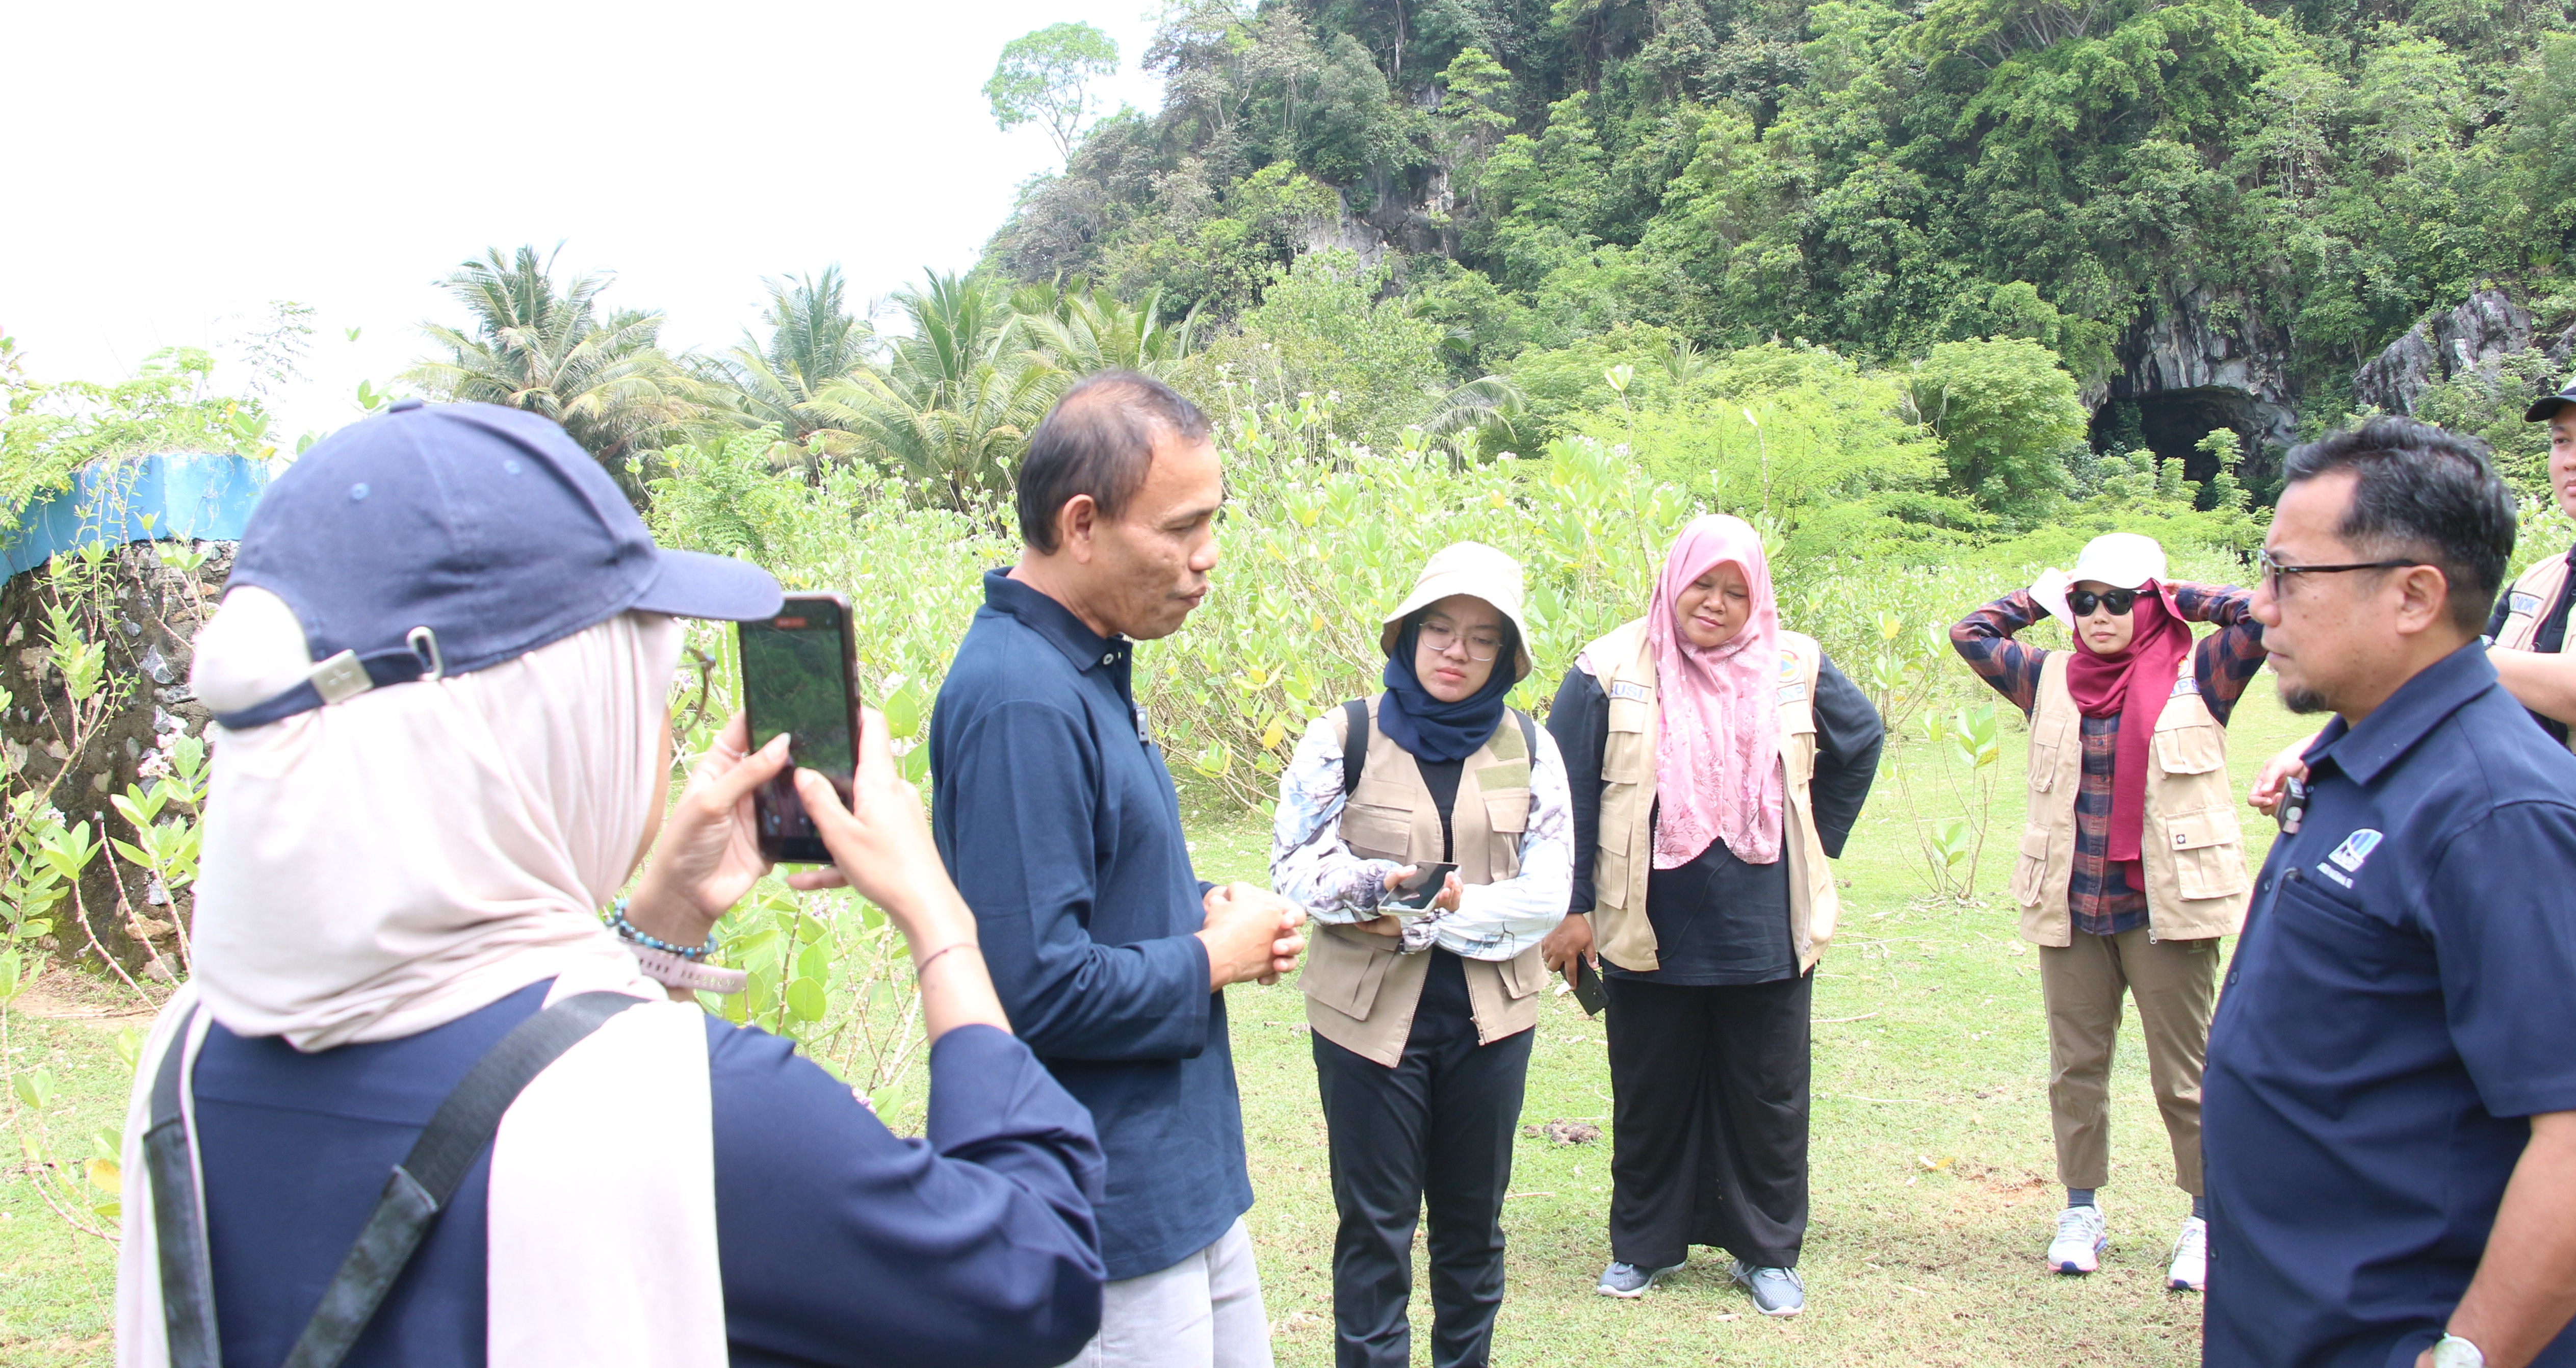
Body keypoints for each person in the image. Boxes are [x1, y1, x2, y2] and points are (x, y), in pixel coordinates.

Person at [116, 399, 1107, 1368]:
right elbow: (1034, 1276)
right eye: (645, 692)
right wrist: (939, 918)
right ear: (544, 731)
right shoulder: (715, 1116)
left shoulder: (188, 1059)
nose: (660, 733)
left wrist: (663, 922)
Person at [2204, 415, 2576, 1368]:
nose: (2259, 608)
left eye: (2289, 575)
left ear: (2414, 596)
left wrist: (2467, 1357)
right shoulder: (2363, 756)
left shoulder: (2503, 810)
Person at [930, 372, 1307, 1368]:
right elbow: (1033, 983)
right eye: (1182, 528)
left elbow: (1088, 902)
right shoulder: (1023, 700)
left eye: (1213, 522)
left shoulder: (1086, 665)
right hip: (1105, 1211)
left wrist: (1200, 913)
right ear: (1084, 523)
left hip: (1179, 1182)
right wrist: (1210, 958)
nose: (1206, 557)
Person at [1534, 514, 1882, 1319]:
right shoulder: (1607, 667)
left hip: (1766, 923)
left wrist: (1814, 843)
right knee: (1652, 1087)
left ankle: (1766, 1253)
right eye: (1703, 585)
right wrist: (1573, 908)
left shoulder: (1794, 662)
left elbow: (1859, 744)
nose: (1717, 604)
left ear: (1756, 596)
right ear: (1673, 582)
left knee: (1768, 1092)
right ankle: (1643, 1246)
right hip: (1644, 922)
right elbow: (1566, 794)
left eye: (1737, 591)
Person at [1269, 542, 1574, 1368]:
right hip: (1365, 1023)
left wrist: (1432, 913)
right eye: (1440, 628)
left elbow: (1548, 894)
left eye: (1483, 637)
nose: (1457, 650)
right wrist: (1380, 885)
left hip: (1491, 1023)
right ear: (1406, 635)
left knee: (1473, 1231)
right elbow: (1294, 868)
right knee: (1375, 1230)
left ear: (1507, 655)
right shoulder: (1345, 734)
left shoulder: (1531, 748)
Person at [1949, 531, 2265, 1289]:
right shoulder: (2048, 677)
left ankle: (2204, 1219)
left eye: (2118, 600)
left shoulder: (2203, 672)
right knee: (2077, 1069)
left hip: (2165, 908)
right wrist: (2044, 593)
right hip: (2073, 901)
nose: (2097, 615)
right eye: (2085, 602)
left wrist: (2178, 592)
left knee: (2184, 1076)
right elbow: (1972, 633)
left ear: (2149, 604)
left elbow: (2262, 616)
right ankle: (2081, 1209)